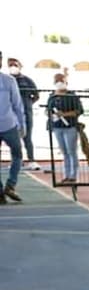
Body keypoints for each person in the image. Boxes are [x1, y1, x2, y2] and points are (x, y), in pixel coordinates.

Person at [46, 74, 84, 184]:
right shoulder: (51, 96)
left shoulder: (72, 96)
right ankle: (66, 175)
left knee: (72, 151)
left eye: (61, 80)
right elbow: (48, 110)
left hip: (70, 126)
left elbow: (79, 111)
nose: (59, 82)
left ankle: (74, 175)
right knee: (64, 152)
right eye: (56, 80)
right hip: (57, 127)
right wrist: (50, 114)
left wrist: (65, 114)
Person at [0, 51, 26, 204]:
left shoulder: (9, 81)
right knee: (17, 155)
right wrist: (22, 125)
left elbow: (17, 105)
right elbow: (17, 105)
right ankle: (10, 185)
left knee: (17, 155)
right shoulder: (9, 81)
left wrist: (21, 124)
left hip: (9, 124)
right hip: (9, 125)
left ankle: (5, 188)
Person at [7, 58, 40, 171]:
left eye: (15, 64)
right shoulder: (7, 80)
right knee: (13, 139)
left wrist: (28, 104)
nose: (13, 66)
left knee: (27, 137)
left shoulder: (27, 80)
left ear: (20, 66)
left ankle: (31, 160)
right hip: (11, 114)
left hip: (26, 113)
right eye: (10, 65)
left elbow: (36, 95)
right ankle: (17, 161)